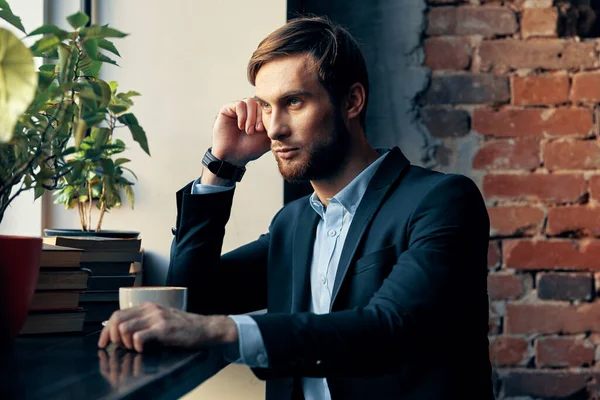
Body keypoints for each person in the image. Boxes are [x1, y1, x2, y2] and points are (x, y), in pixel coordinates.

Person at [98, 15, 494, 400]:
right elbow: (190, 299)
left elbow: (388, 328)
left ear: (352, 101)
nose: (274, 128)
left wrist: (222, 331)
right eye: (266, 107)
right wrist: (222, 167)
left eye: (294, 102)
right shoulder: (292, 225)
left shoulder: (441, 201)